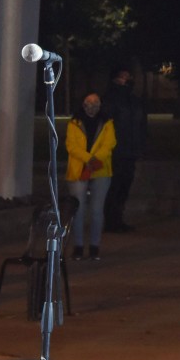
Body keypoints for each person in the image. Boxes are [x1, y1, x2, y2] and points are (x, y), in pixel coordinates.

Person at [67, 92, 115, 260]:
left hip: (101, 171)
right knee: (78, 210)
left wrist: (94, 161)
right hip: (79, 170)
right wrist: (89, 160)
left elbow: (109, 144)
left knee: (96, 210)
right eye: (88, 102)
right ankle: (78, 246)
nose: (92, 106)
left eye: (96, 103)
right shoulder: (74, 123)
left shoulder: (107, 123)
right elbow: (71, 146)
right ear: (83, 104)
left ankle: (95, 246)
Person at [102, 67, 147, 233]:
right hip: (116, 151)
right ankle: (110, 220)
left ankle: (118, 218)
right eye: (123, 76)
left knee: (125, 186)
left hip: (131, 151)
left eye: (129, 76)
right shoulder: (111, 98)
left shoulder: (134, 100)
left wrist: (140, 146)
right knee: (114, 186)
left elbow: (141, 125)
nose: (127, 79)